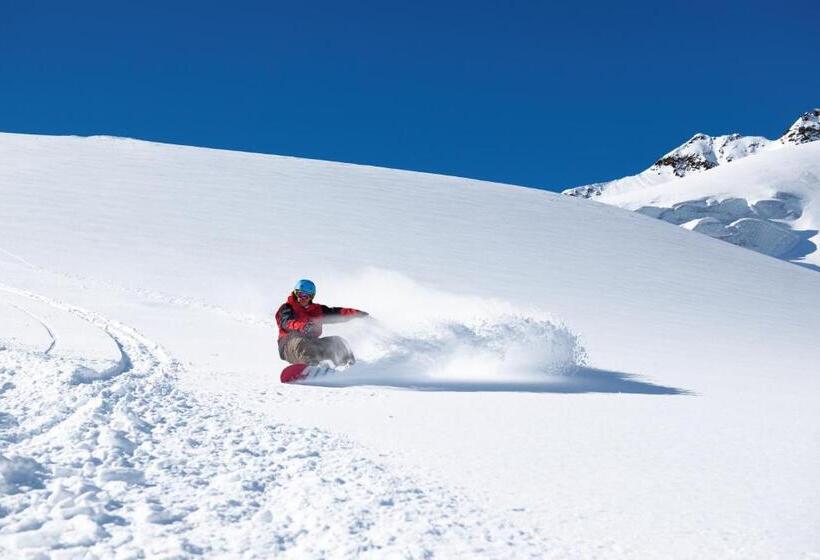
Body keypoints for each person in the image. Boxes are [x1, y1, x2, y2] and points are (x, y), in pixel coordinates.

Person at [275, 279, 368, 366]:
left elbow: (337, 313)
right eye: (299, 294)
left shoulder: (317, 310)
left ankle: (349, 366)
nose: (301, 298)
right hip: (289, 346)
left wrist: (357, 313)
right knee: (302, 344)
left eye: (305, 296)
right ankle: (311, 368)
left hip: (312, 344)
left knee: (337, 342)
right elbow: (286, 322)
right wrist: (302, 326)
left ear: (311, 297)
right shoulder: (287, 308)